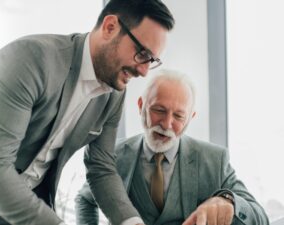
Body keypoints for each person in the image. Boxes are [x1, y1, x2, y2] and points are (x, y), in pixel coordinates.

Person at [0, 0, 175, 224]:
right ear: (110, 27)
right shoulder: (29, 59)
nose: (143, 71)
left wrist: (131, 221)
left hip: (35, 201)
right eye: (141, 53)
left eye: (151, 60)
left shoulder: (114, 92)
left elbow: (101, 168)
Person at [75, 69, 269, 225]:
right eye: (159, 110)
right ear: (141, 105)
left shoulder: (214, 160)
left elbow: (260, 217)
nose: (167, 124)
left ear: (190, 118)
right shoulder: (114, 156)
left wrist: (228, 201)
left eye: (178, 116)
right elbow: (85, 199)